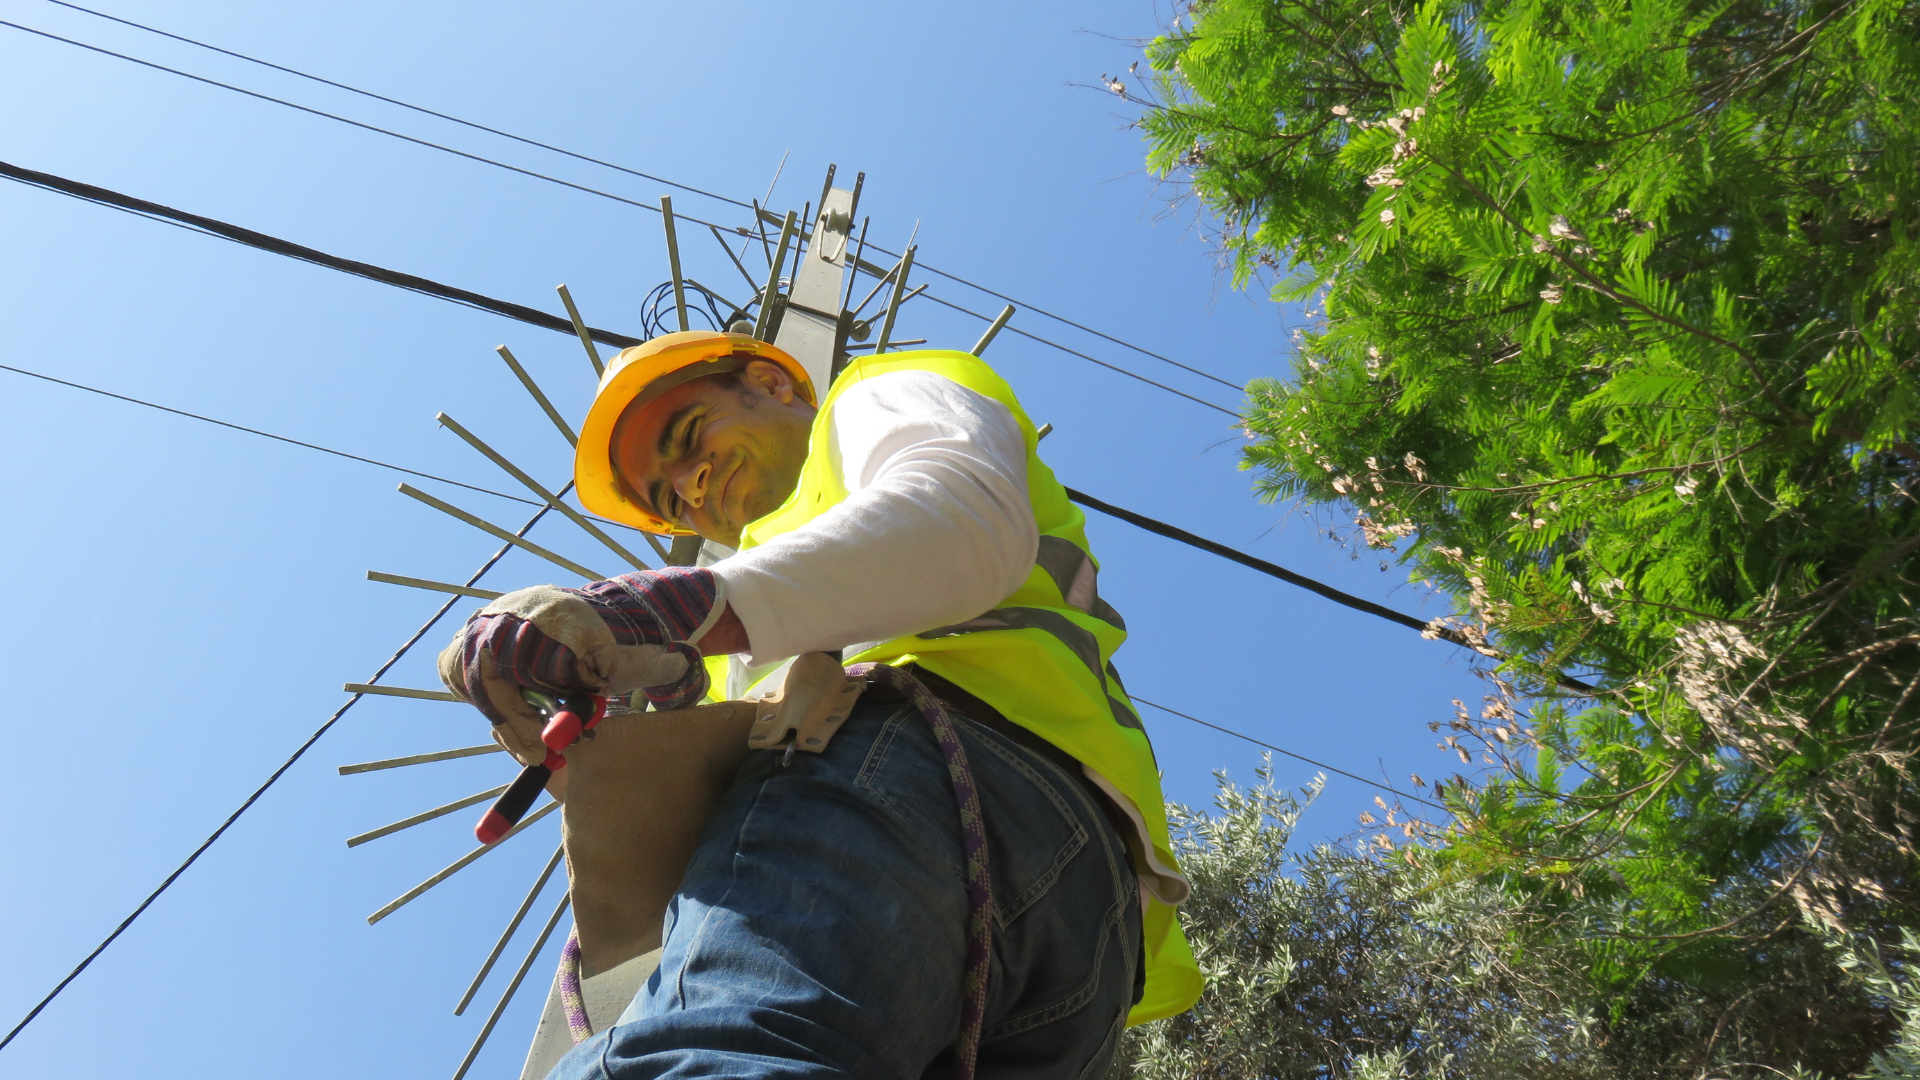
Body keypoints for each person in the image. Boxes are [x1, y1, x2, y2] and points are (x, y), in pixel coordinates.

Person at [441, 330, 1200, 1080]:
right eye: (670, 497)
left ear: (773, 385)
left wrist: (684, 608)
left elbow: (962, 516)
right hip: (1086, 949)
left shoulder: (873, 396)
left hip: (924, 775)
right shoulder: (755, 594)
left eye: (687, 434)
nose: (692, 484)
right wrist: (649, 721)